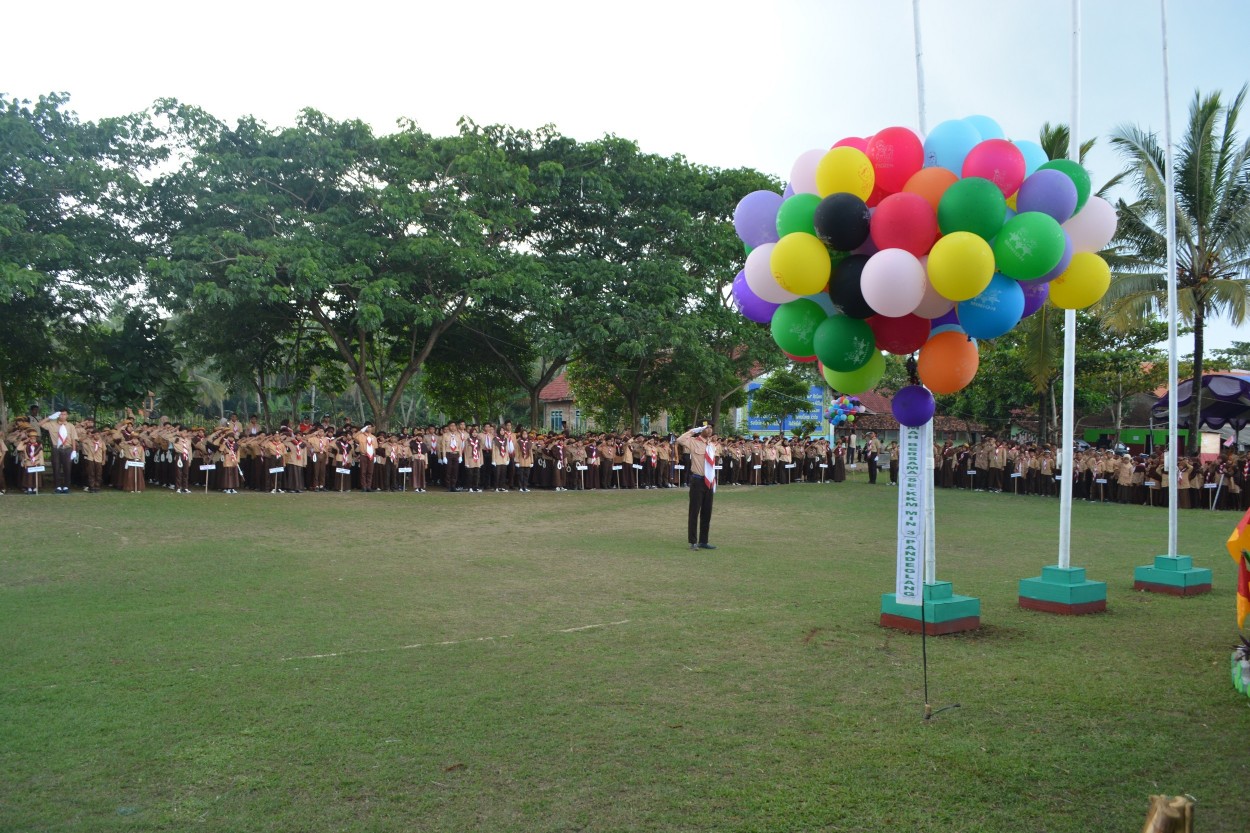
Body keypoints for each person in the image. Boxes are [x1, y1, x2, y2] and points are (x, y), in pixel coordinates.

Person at [676, 422, 718, 551]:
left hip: (709, 481)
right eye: (707, 428)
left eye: (711, 428)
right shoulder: (693, 442)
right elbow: (680, 440)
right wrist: (694, 430)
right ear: (701, 429)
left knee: (707, 512)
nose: (710, 430)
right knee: (694, 512)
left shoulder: (711, 445)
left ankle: (703, 541)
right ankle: (693, 541)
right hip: (698, 481)